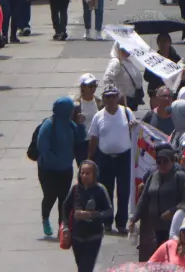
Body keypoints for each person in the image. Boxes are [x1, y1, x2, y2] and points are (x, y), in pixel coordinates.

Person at [87, 84, 134, 234]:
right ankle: (107, 221)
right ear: (104, 99)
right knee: (106, 191)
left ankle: (121, 223)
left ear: (118, 97)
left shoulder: (127, 112)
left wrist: (133, 126)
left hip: (124, 158)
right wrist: (89, 159)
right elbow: (94, 139)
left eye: (114, 96)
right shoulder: (98, 116)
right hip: (105, 158)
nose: (112, 99)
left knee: (123, 191)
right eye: (108, 96)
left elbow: (136, 132)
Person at [37, 96, 85, 238]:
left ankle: (62, 226)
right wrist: (56, 160)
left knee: (64, 199)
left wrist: (81, 125)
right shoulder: (48, 125)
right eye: (71, 109)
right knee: (50, 196)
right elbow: (43, 147)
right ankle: (45, 218)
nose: (72, 112)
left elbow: (80, 139)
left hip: (65, 169)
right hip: (48, 170)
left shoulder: (70, 124)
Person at [132, 145, 185, 259]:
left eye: (165, 162)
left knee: (170, 256)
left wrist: (172, 211)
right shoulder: (153, 176)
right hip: (155, 226)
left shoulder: (180, 177)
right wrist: (133, 219)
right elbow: (144, 198)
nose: (162, 165)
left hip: (172, 227)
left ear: (172, 161)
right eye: (158, 162)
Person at [62, 160, 113, 272]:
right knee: (81, 266)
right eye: (82, 173)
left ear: (94, 175)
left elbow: (109, 212)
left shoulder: (100, 190)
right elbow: (65, 207)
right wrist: (65, 227)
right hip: (77, 237)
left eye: (87, 173)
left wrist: (90, 214)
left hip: (93, 237)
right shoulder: (75, 189)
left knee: (85, 268)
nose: (84, 176)